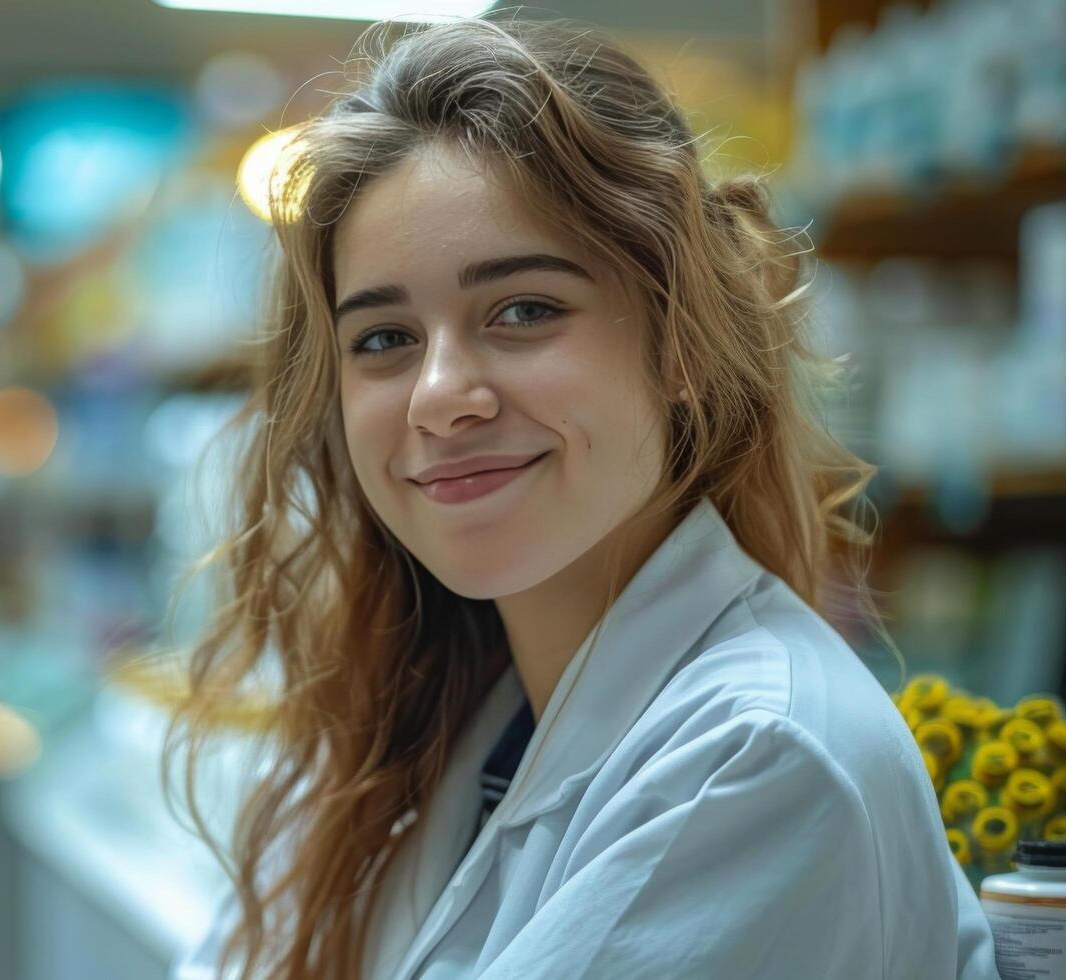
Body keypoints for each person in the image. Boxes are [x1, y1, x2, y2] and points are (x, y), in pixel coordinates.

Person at [166, 17, 999, 980]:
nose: (440, 396)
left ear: (681, 344)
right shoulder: (441, 717)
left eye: (523, 310)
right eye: (384, 338)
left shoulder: (759, 759)